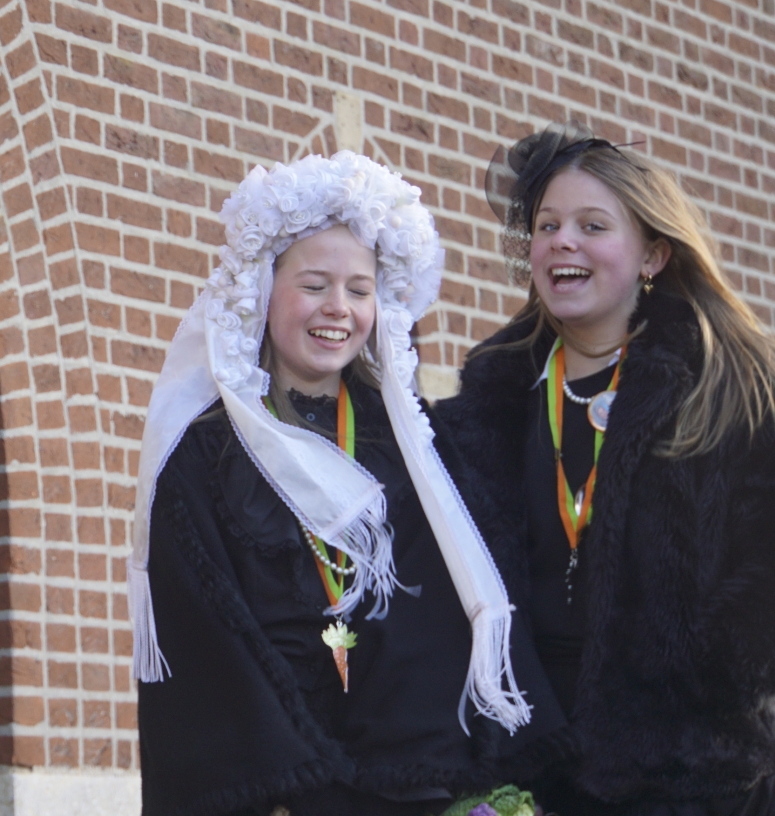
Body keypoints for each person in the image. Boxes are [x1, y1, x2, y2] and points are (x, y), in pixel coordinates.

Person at [129, 151, 565, 816]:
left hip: (408, 781)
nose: (338, 309)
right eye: (314, 285)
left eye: (359, 291)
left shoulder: (410, 444)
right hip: (279, 786)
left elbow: (436, 621)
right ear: (263, 289)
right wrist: (294, 784)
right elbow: (208, 645)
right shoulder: (204, 455)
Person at [433, 124, 775, 815]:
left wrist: (708, 690)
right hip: (530, 765)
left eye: (593, 225)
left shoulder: (729, 385)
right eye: (548, 225)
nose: (563, 241)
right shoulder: (488, 400)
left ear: (653, 253)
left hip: (684, 773)